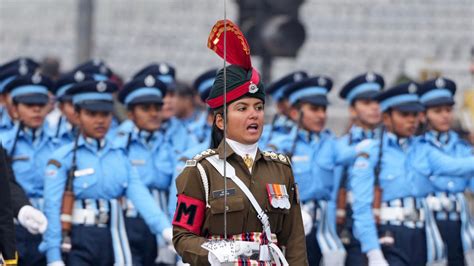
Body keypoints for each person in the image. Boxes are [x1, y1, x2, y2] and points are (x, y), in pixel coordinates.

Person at [172, 19, 308, 265]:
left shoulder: (281, 169)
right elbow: (182, 237)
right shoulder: (201, 172)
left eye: (258, 107)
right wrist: (215, 253)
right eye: (242, 108)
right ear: (221, 121)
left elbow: (294, 240)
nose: (253, 114)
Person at [40, 80, 173, 266]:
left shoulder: (119, 155)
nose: (100, 120)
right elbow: (53, 208)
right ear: (77, 115)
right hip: (77, 239)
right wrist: (53, 255)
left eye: (105, 114)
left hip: (115, 237)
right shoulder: (63, 158)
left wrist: (167, 231)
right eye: (91, 114)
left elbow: (141, 196)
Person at [350, 82, 474, 266]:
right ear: (386, 117)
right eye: (404, 114)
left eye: (415, 114)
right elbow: (362, 208)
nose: (412, 120)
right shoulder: (371, 152)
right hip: (389, 234)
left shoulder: (423, 149)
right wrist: (373, 252)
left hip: (424, 235)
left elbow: (457, 166)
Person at [268, 75, 368, 266]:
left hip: (326, 228)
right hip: (294, 224)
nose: (321, 115)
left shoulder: (331, 144)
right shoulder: (282, 147)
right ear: (296, 113)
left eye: (323, 109)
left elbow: (356, 152)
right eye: (314, 109)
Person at [116, 74, 175, 265]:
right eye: (145, 108)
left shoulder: (169, 144)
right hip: (130, 223)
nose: (153, 113)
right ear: (130, 114)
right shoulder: (119, 145)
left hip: (165, 225)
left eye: (157, 108)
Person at [419, 77, 474, 266]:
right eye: (437, 111)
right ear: (424, 114)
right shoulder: (419, 146)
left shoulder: (463, 147)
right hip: (429, 222)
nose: (445, 116)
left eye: (448, 110)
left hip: (460, 223)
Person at [1, 73, 55, 266]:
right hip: (16, 226)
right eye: (29, 105)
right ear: (14, 108)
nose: (36, 110)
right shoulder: (6, 142)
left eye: (41, 104)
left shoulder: (60, 143)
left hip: (49, 222)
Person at [335, 72, 385, 266]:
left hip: (384, 221)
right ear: (352, 110)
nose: (374, 107)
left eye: (378, 101)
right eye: (366, 102)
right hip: (347, 223)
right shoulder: (340, 146)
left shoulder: (390, 144)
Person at [259, 71, 307, 147]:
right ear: (279, 105)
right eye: (293, 98)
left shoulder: (324, 138)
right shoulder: (263, 136)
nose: (300, 104)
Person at [49, 71, 95, 146]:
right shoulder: (49, 138)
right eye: (72, 104)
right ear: (61, 108)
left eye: (84, 104)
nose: (78, 111)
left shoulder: (109, 138)